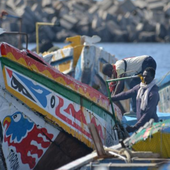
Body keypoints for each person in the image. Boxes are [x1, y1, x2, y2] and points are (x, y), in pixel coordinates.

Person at [111, 67, 159, 133]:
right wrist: (111, 98)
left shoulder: (153, 93)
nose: (144, 78)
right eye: (143, 76)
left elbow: (148, 113)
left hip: (151, 125)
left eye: (147, 76)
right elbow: (126, 94)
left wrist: (135, 127)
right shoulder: (140, 87)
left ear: (152, 77)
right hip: (141, 124)